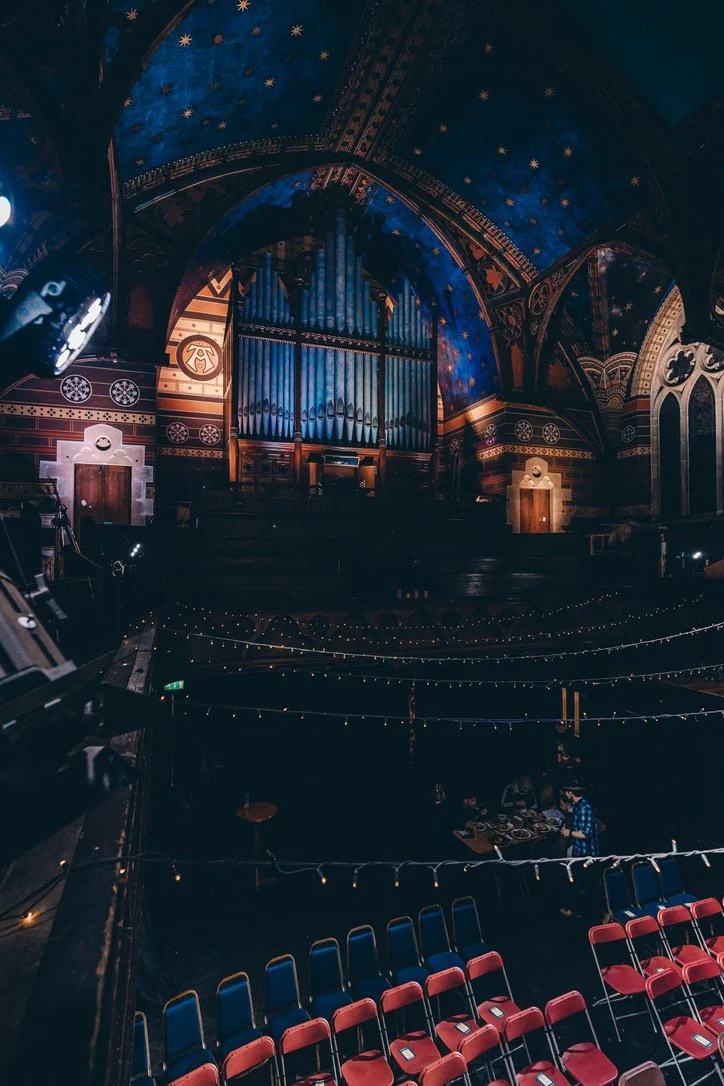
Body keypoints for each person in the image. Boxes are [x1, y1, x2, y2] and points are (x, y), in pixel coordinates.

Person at [559, 782, 599, 918]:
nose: (564, 793)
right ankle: (580, 911)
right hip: (579, 852)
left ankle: (588, 913)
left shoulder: (585, 807)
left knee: (584, 886)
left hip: (587, 854)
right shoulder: (578, 806)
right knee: (579, 884)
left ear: (571, 792)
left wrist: (569, 833)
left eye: (566, 791)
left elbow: (586, 833)